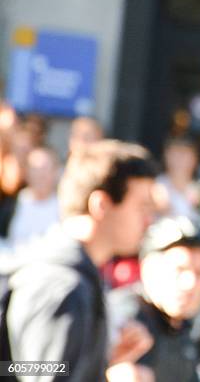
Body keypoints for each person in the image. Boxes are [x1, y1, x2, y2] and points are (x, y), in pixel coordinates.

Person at [5, 140, 158, 381]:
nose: (149, 219)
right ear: (101, 205)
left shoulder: (73, 275)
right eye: (142, 206)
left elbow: (24, 368)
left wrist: (98, 363)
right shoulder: (62, 285)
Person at [109, 216, 200, 382]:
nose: (190, 284)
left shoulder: (182, 324)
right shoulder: (123, 315)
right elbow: (59, 365)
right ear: (148, 269)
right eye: (179, 269)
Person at [6, 147, 60, 248]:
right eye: (35, 169)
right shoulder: (13, 203)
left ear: (56, 171)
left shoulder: (65, 206)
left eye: (45, 169)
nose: (40, 175)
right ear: (26, 172)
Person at [156, 137, 200, 219]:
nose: (179, 158)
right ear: (166, 155)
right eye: (175, 153)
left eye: (184, 153)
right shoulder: (156, 186)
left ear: (195, 158)